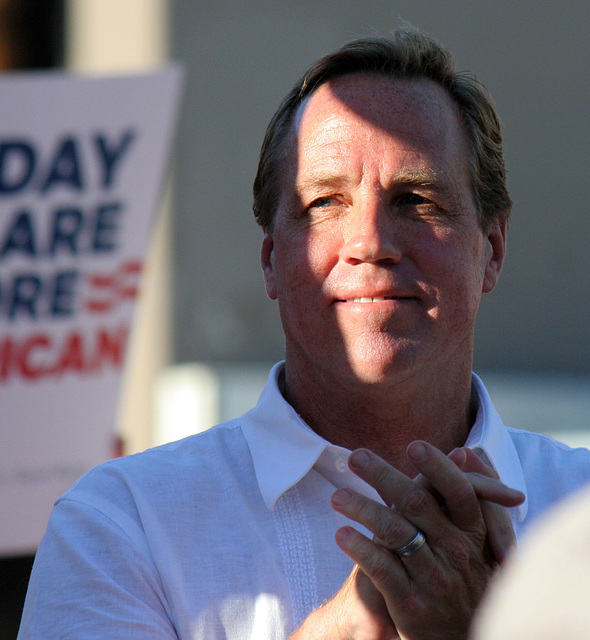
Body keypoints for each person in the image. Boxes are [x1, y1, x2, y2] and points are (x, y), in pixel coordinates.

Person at [18, 27, 590, 640]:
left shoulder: (579, 511)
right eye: (324, 203)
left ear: (493, 249)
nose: (370, 243)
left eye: (417, 199)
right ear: (270, 258)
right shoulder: (121, 522)